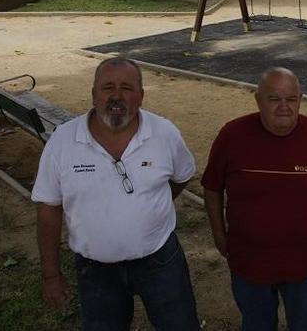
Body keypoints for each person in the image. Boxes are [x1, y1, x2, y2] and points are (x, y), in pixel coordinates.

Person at [31, 56, 200, 330]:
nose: (117, 96)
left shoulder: (164, 133)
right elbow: (48, 208)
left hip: (160, 260)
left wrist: (150, 209)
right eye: (108, 87)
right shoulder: (63, 141)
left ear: (141, 96)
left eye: (127, 88)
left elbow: (181, 177)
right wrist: (51, 275)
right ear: (94, 94)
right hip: (95, 269)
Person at [202, 67, 307, 331]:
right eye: (274, 99)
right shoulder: (232, 135)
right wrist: (219, 235)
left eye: (291, 99)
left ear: (300, 100)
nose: (284, 107)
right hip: (249, 264)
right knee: (257, 325)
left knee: (305, 325)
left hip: (304, 264)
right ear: (258, 100)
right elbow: (211, 187)